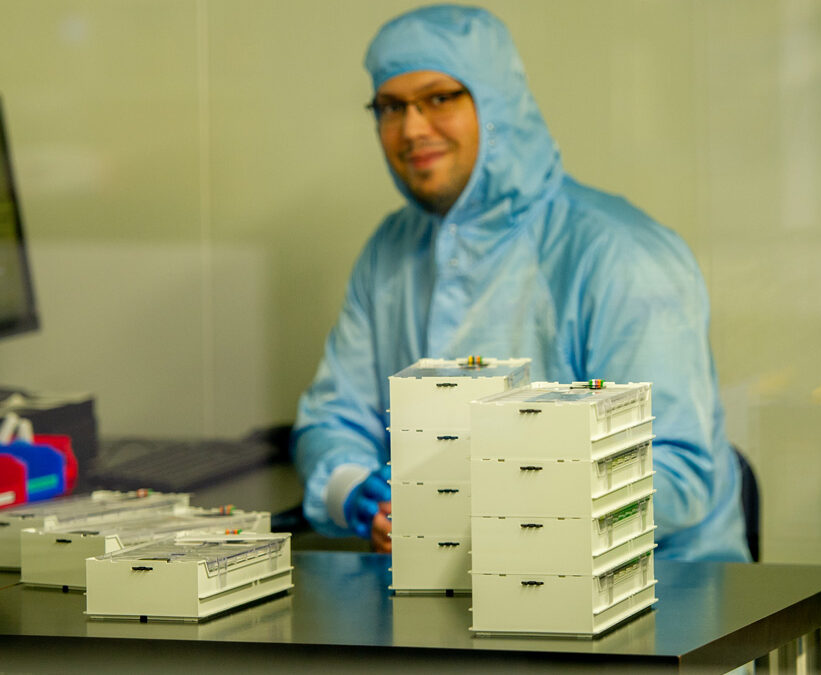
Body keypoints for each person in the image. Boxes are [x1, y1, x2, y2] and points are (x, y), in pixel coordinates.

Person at [291, 4, 750, 562]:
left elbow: (678, 473)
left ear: (497, 104)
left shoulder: (618, 254)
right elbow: (333, 416)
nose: (411, 129)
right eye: (390, 107)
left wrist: (519, 508)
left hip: (654, 602)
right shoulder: (390, 250)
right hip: (454, 595)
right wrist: (352, 491)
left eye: (440, 98)